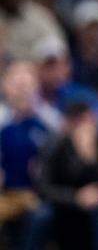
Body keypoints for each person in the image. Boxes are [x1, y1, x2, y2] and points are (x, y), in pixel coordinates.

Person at [34, 102, 98, 249]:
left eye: (91, 121)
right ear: (68, 125)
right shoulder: (54, 145)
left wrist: (91, 158)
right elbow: (43, 188)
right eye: (80, 122)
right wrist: (75, 197)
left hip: (97, 202)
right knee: (42, 214)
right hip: (64, 203)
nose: (87, 128)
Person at [0, 63, 52, 249]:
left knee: (42, 214)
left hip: (36, 195)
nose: (22, 91)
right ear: (5, 87)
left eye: (27, 85)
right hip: (5, 195)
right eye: (17, 84)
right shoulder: (3, 122)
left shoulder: (47, 123)